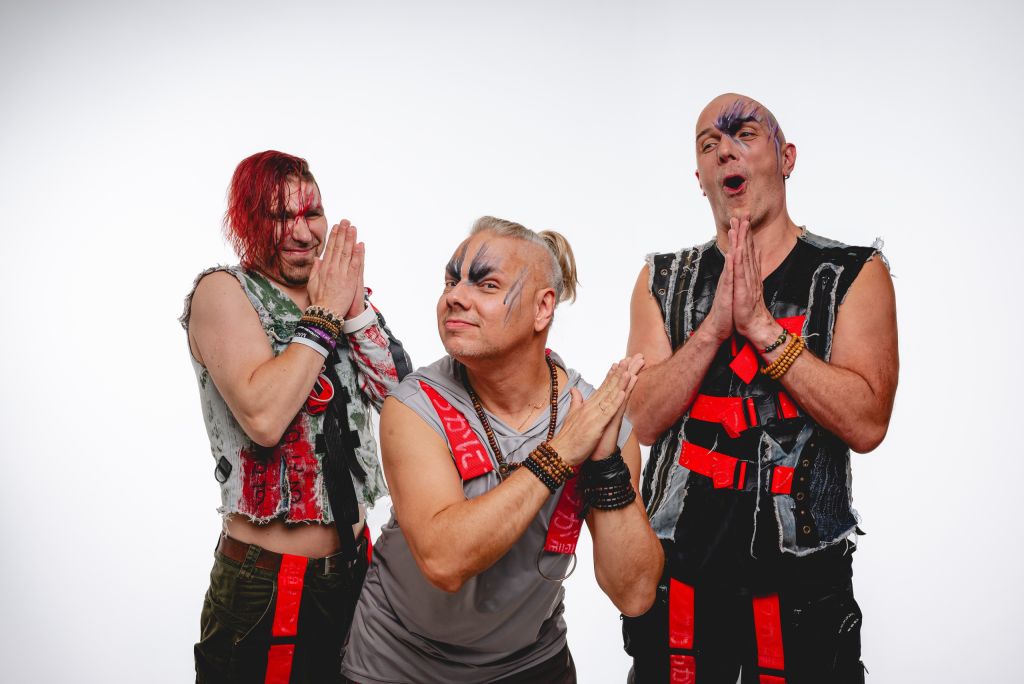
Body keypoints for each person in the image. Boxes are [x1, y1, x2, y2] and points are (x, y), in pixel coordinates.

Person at [622, 94, 898, 683]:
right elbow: (641, 420)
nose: (725, 150)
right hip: (680, 583)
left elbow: (868, 422)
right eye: (709, 144)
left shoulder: (854, 273)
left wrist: (762, 329)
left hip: (805, 590)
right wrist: (713, 330)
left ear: (786, 157)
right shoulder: (661, 280)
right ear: (700, 178)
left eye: (745, 134)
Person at [341, 216, 664, 683]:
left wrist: (605, 464)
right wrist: (561, 453)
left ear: (542, 308)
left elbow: (634, 594)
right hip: (398, 664)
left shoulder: (595, 417)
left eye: (486, 284)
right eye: (450, 281)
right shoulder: (414, 406)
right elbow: (444, 560)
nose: (455, 296)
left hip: (531, 664)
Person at [180, 150, 411, 683]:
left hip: (358, 571)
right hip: (267, 585)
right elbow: (264, 418)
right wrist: (325, 315)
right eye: (281, 216)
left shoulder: (337, 292)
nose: (304, 232)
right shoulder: (224, 292)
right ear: (246, 221)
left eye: (313, 213)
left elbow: (403, 402)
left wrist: (355, 310)